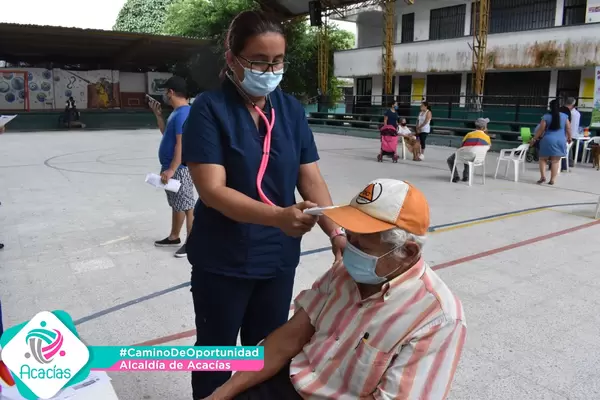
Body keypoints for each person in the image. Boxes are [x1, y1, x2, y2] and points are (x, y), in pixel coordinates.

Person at [181, 11, 346, 399]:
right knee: (216, 355)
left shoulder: (289, 110)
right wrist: (277, 217)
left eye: (277, 61)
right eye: (258, 60)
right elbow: (212, 191)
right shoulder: (207, 109)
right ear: (232, 58)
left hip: (276, 259)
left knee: (266, 352)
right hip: (223, 258)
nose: (269, 70)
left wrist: (336, 231)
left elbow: (310, 177)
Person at [202, 179, 467, 400]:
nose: (347, 249)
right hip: (292, 381)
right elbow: (286, 342)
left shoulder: (436, 320)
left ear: (407, 252)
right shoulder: (344, 273)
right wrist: (221, 394)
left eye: (361, 245)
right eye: (348, 236)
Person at [150, 76, 194, 258]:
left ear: (171, 92)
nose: (165, 96)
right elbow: (166, 134)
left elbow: (181, 144)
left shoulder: (183, 113)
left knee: (188, 205)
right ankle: (174, 236)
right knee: (178, 204)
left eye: (166, 91)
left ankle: (192, 243)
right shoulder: (177, 113)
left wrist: (172, 169)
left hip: (180, 169)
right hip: (173, 167)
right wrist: (158, 116)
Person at [531, 99, 571, 185]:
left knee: (542, 159)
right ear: (559, 107)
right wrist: (570, 137)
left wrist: (534, 139)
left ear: (550, 107)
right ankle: (552, 180)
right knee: (555, 161)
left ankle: (542, 177)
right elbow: (568, 128)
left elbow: (541, 130)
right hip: (560, 140)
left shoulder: (545, 117)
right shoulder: (565, 116)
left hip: (547, 140)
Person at [447, 118, 492, 183]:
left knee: (451, 159)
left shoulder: (469, 134)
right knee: (470, 154)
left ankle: (455, 176)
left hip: (468, 155)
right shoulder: (487, 137)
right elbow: (488, 147)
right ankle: (466, 176)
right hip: (479, 158)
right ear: (483, 127)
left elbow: (463, 145)